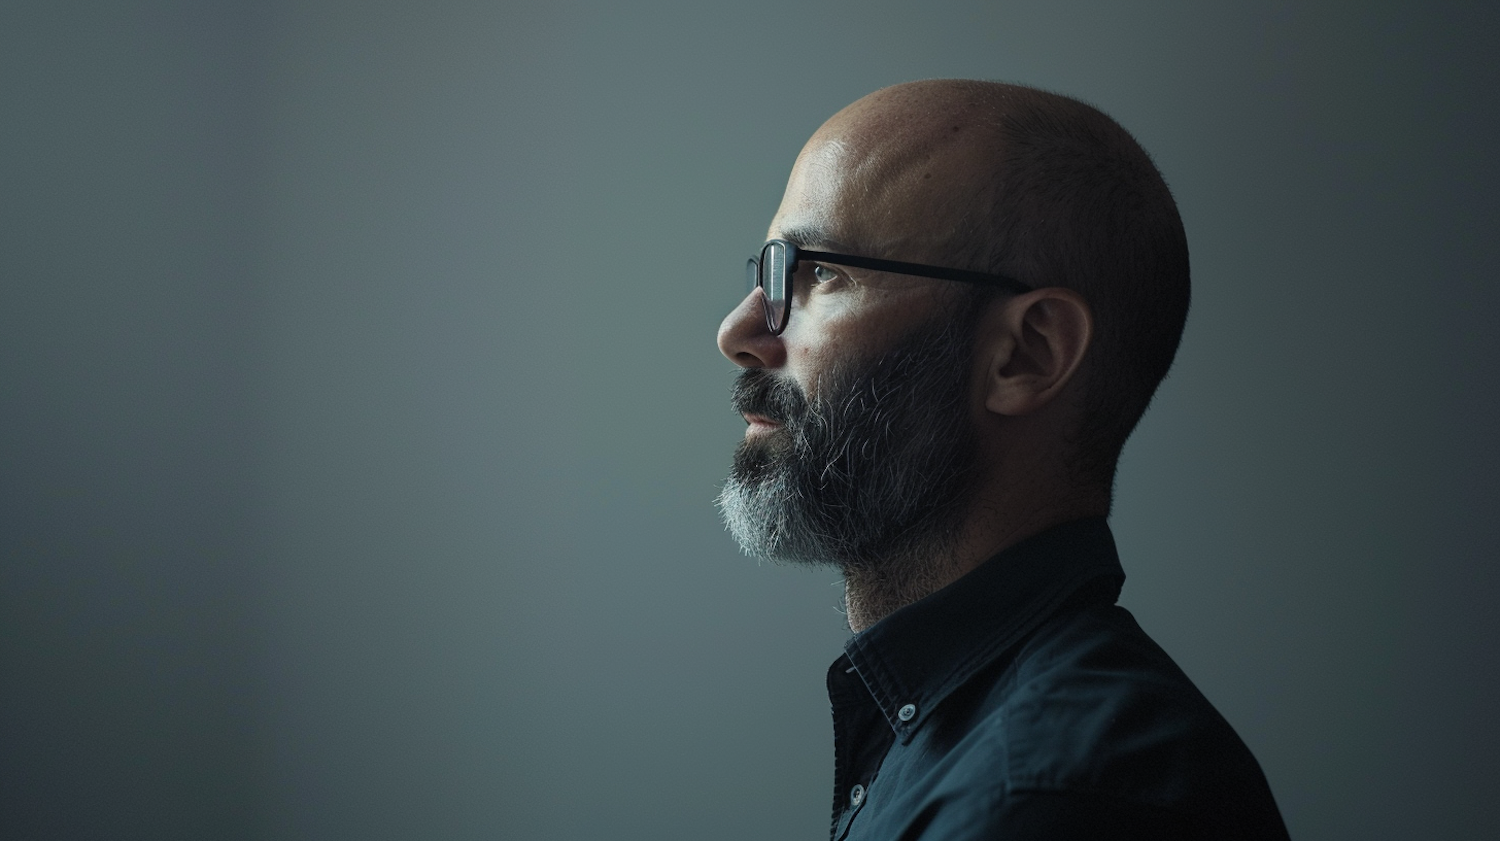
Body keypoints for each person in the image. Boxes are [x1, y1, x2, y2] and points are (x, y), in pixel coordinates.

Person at [715, 80, 1289, 840]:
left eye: (819, 273)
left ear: (1026, 354)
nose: (740, 329)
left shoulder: (1049, 802)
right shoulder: (958, 749)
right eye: (768, 271)